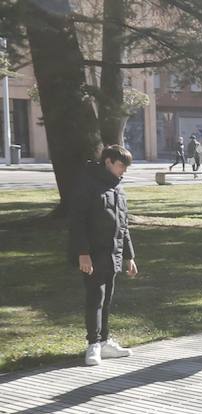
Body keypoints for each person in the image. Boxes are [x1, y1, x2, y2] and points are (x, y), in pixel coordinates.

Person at [69, 144, 138, 367]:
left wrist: (129, 257)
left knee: (106, 299)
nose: (123, 171)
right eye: (121, 165)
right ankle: (93, 344)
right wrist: (83, 253)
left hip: (113, 254)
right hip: (93, 253)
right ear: (108, 161)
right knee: (95, 298)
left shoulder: (118, 187)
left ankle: (105, 341)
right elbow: (77, 222)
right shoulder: (88, 184)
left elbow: (123, 226)